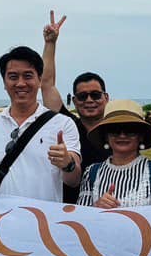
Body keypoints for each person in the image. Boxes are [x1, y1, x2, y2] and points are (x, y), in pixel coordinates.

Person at [0, 45, 83, 203]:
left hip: (44, 217)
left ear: (39, 80)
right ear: (4, 82)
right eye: (13, 77)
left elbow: (74, 180)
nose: (21, 83)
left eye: (28, 76)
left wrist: (67, 163)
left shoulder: (63, 124)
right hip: (1, 217)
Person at [38, 11, 110, 175]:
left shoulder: (118, 131)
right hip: (71, 191)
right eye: (83, 96)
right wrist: (50, 43)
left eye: (95, 95)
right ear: (75, 100)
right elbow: (47, 84)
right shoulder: (67, 125)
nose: (89, 100)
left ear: (106, 97)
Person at [77, 100, 151, 207]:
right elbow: (81, 214)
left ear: (141, 136)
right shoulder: (91, 173)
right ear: (106, 136)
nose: (122, 135)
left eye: (130, 129)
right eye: (114, 129)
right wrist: (96, 207)